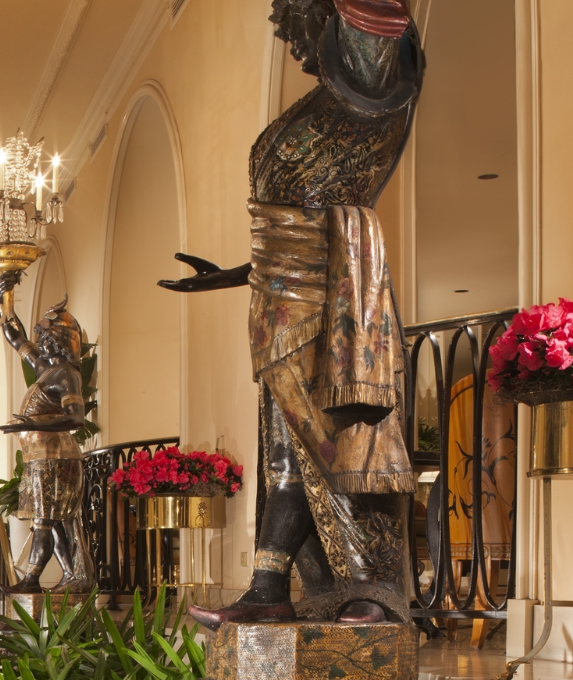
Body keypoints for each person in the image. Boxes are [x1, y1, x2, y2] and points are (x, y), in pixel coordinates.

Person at [160, 0, 422, 627]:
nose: (286, 34)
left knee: (338, 444)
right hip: (277, 307)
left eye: (293, 19)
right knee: (287, 457)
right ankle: (270, 589)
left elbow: (379, 28)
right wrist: (239, 272)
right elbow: (291, 234)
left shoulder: (365, 101)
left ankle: (370, 590)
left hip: (328, 315)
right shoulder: (323, 112)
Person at [0, 272, 93, 593]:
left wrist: (31, 425)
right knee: (57, 522)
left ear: (62, 341)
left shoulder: (66, 374)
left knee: (45, 522)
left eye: (48, 338)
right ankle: (72, 575)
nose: (41, 343)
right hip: (42, 459)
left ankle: (33, 579)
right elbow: (15, 337)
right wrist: (4, 300)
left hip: (57, 459)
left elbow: (75, 418)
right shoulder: (45, 368)